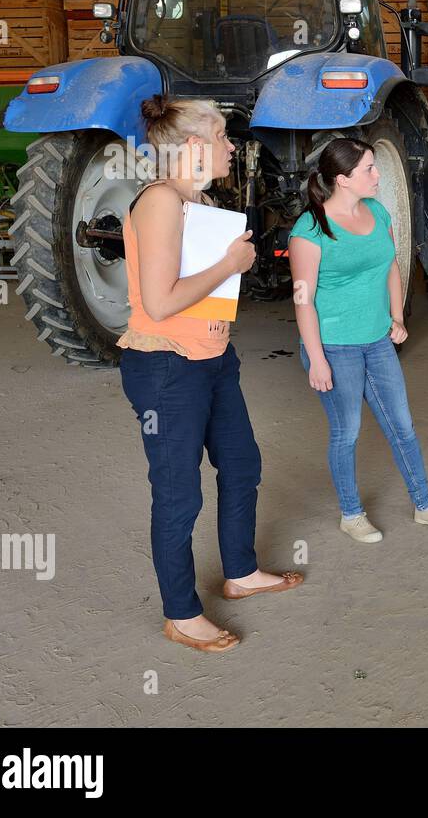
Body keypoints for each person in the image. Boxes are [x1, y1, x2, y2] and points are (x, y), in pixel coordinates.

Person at [119, 95, 303, 655]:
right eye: (223, 137)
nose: (231, 147)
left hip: (212, 359)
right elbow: (160, 299)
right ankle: (180, 613)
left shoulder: (197, 203)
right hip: (166, 366)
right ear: (195, 147)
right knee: (178, 494)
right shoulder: (159, 202)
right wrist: (229, 264)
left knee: (242, 463)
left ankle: (240, 572)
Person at [289, 137, 428, 542]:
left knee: (402, 425)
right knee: (346, 432)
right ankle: (351, 514)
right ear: (342, 180)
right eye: (369, 169)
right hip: (333, 346)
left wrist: (396, 317)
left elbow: (391, 268)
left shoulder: (378, 213)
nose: (378, 175)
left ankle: (423, 505)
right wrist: (317, 359)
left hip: (377, 341)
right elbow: (302, 300)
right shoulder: (310, 229)